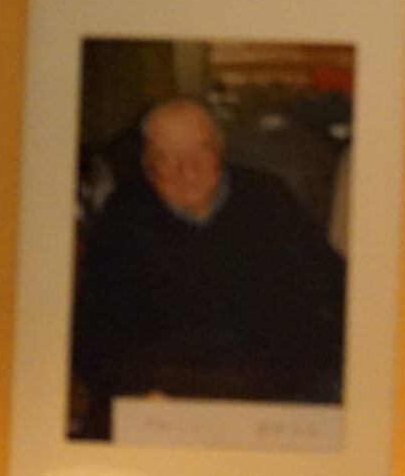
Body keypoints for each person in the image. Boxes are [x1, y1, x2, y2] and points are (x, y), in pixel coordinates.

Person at [69, 98, 347, 441]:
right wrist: (134, 391)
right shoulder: (123, 218)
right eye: (167, 159)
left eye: (200, 151)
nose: (187, 171)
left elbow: (334, 294)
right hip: (162, 402)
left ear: (220, 148)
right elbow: (91, 335)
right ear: (147, 164)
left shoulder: (269, 199)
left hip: (270, 398)